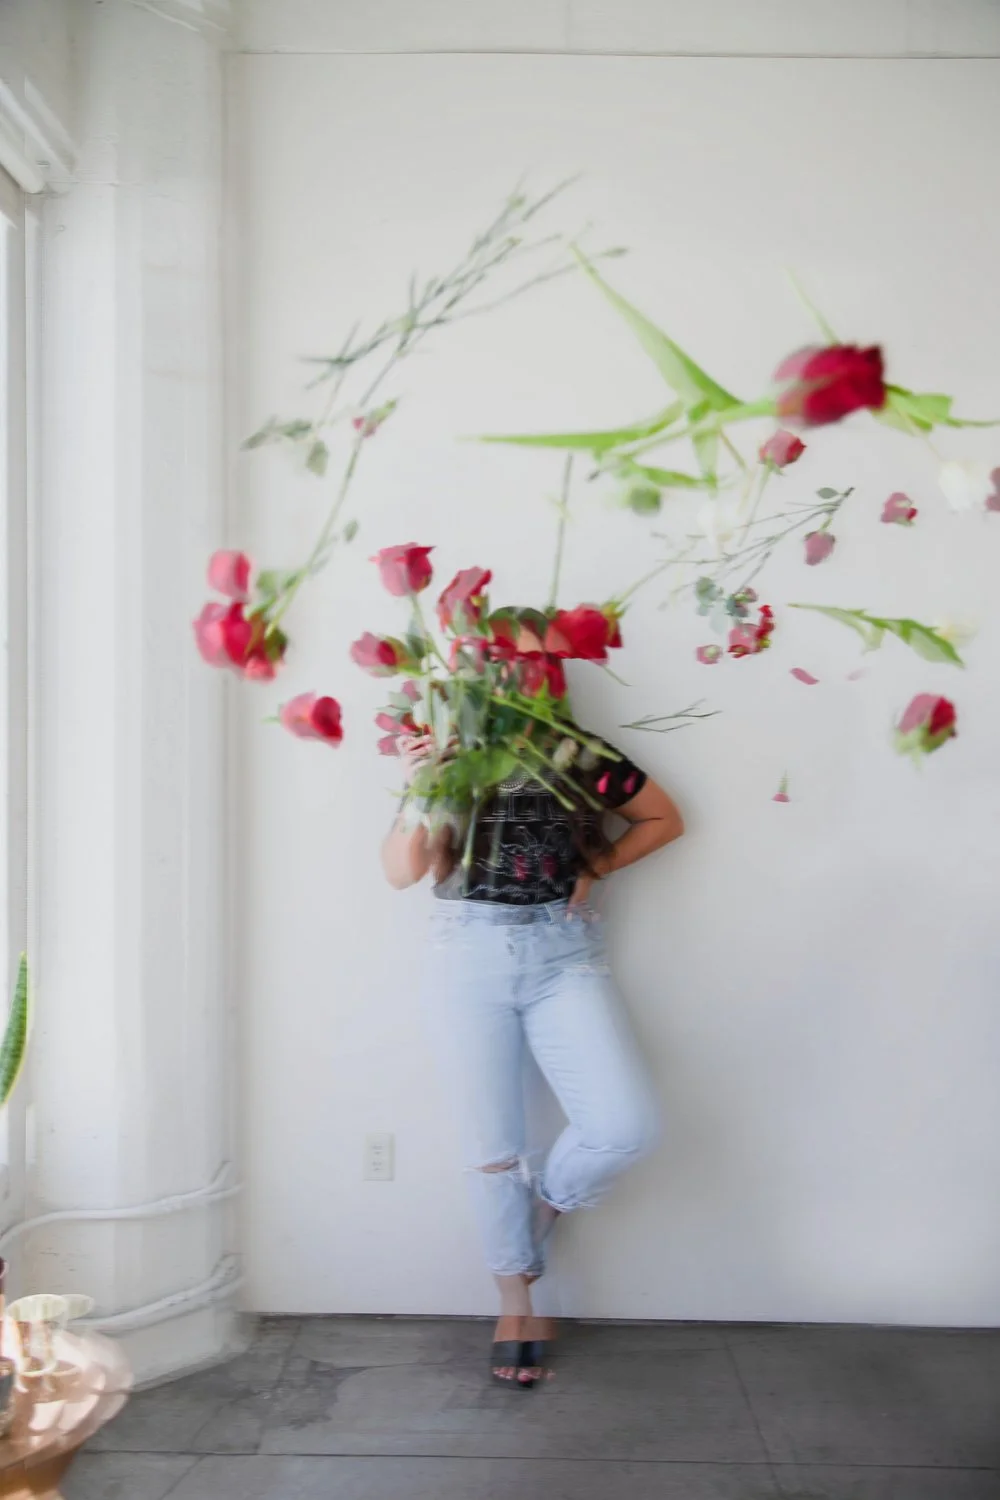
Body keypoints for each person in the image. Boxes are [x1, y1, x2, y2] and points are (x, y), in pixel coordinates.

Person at [380, 627, 684, 1388]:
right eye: (495, 675)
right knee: (492, 1145)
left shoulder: (585, 755)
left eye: (527, 674)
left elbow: (666, 818)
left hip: (563, 955)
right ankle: (514, 1301)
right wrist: (418, 784)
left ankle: (546, 1204)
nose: (511, 687)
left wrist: (600, 865)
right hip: (468, 953)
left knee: (624, 1126)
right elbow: (400, 872)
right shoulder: (449, 760)